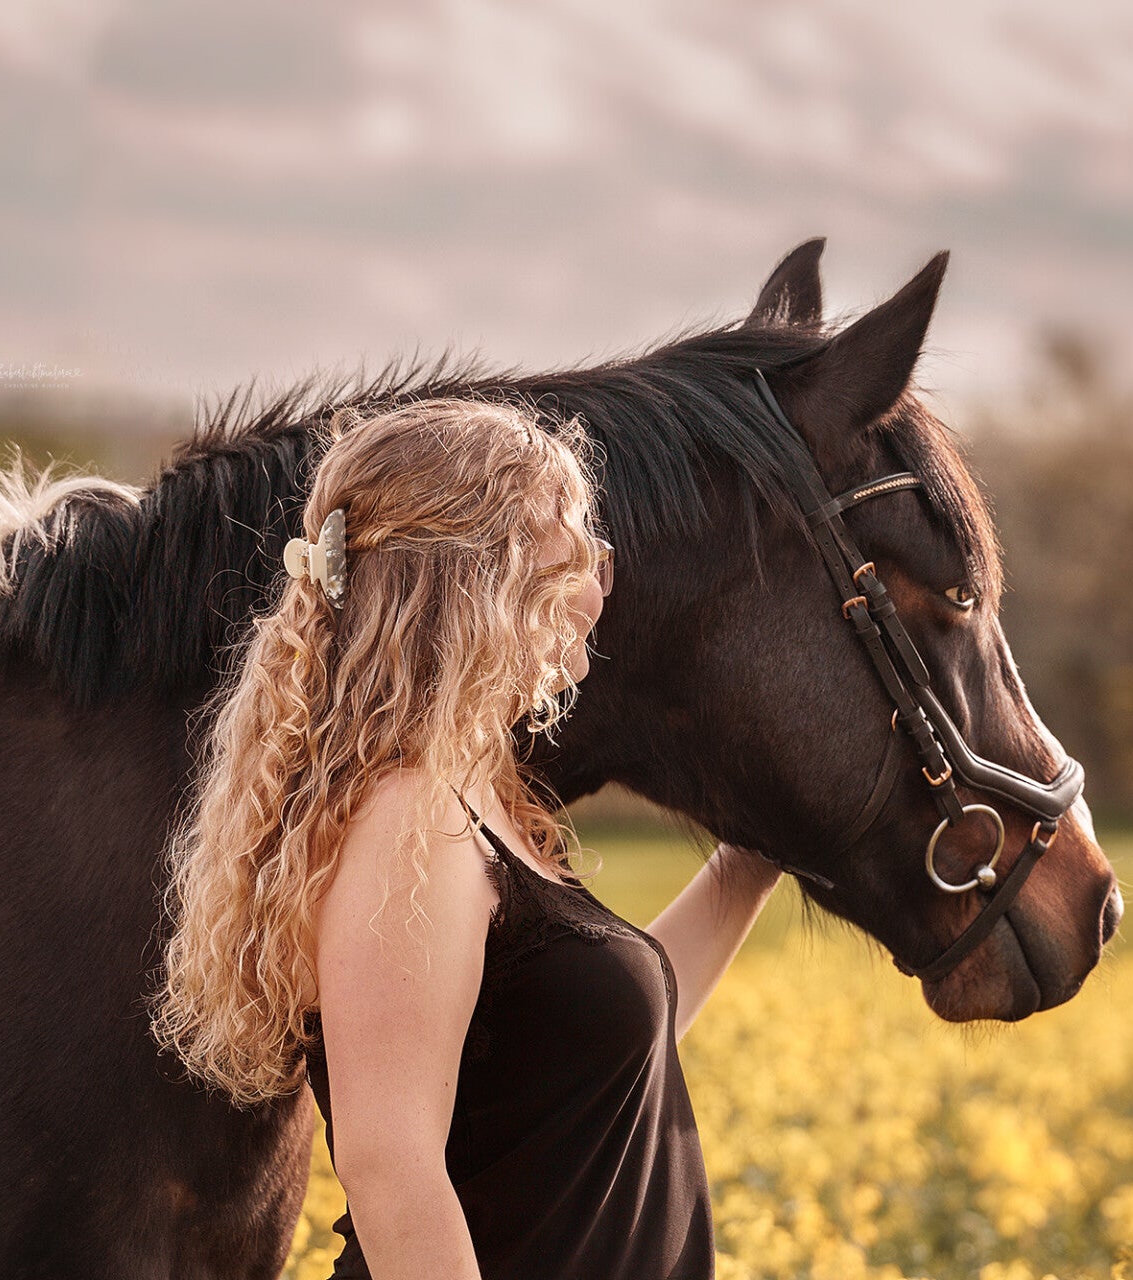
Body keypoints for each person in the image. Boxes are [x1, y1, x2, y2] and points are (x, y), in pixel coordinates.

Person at [152, 397, 781, 1279]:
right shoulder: (412, 819)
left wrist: (746, 866)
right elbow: (392, 1171)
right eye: (572, 560)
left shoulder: (476, 797)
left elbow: (582, 1088)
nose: (599, 592)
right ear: (476, 584)